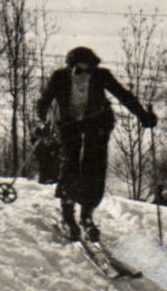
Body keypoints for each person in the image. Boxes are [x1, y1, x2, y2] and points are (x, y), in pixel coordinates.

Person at [36, 46, 157, 241]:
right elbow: (44, 101)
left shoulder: (101, 75)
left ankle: (87, 216)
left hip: (97, 122)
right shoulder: (59, 77)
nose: (86, 70)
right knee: (71, 164)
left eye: (90, 66)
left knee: (95, 167)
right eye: (82, 66)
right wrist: (42, 123)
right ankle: (68, 215)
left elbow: (123, 95)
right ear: (73, 64)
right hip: (68, 123)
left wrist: (143, 115)